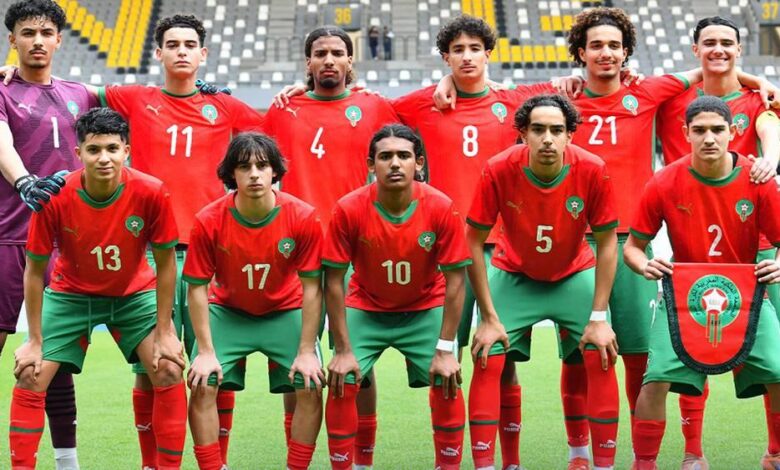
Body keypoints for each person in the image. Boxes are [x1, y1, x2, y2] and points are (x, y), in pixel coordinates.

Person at [96, 15, 265, 466]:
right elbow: (71, 92)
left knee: (216, 364)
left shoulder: (226, 107)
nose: (182, 51)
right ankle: (152, 463)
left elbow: (282, 126)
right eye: (172, 44)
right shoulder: (135, 98)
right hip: (151, 253)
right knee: (153, 366)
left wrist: (292, 92)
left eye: (190, 44)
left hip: (213, 252)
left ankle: (217, 461)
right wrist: (14, 73)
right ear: (158, 53)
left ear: (203, 54)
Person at [9, 107, 187, 469]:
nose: (104, 158)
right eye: (94, 150)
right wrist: (34, 340)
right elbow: (35, 271)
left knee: (169, 368)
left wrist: (166, 331)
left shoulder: (152, 191)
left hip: (133, 296)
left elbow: (167, 263)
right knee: (30, 373)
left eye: (112, 148)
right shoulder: (54, 196)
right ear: (79, 153)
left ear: (126, 151)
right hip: (71, 296)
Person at [263, 26, 399, 467]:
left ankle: (361, 460)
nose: (328, 60)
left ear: (349, 60)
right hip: (294, 249)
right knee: (294, 363)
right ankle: (297, 457)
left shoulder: (374, 106)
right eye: (319, 53)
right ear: (308, 62)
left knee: (358, 361)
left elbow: (416, 132)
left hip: (355, 250)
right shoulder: (283, 109)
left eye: (337, 53)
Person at [625, 95, 780, 470]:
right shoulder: (665, 181)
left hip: (746, 294)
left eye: (717, 129)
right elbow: (632, 247)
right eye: (699, 130)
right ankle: (644, 463)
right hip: (683, 294)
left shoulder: (757, 179)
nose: (709, 138)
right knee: (655, 379)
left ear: (733, 132)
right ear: (686, 133)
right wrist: (645, 265)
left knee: (778, 372)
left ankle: (775, 454)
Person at [466, 94, 620, 470]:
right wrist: (487, 317)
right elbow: (472, 241)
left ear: (570, 135)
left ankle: (592, 461)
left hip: (573, 274)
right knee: (487, 355)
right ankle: (499, 464)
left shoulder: (593, 168)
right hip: (514, 275)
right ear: (523, 134)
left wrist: (599, 317)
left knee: (600, 353)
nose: (547, 139)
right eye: (538, 130)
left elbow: (607, 242)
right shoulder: (498, 168)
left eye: (556, 130)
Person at [654, 16, 780, 469]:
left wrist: (770, 161)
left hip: (758, 245)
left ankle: (775, 451)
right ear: (695, 49)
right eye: (709, 42)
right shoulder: (672, 101)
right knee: (693, 346)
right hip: (692, 243)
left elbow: (771, 132)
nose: (719, 49)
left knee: (771, 360)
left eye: (728, 42)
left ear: (740, 48)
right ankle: (693, 453)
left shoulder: (760, 99)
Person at [323, 124, 470, 470]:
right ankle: (356, 464)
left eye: (403, 156)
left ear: (418, 163)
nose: (394, 163)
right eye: (385, 156)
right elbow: (333, 281)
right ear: (370, 164)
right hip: (366, 307)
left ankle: (447, 465)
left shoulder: (441, 206)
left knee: (447, 377)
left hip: (424, 307)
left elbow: (456, 280)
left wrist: (445, 349)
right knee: (343, 379)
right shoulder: (348, 208)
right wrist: (342, 349)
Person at [184, 132, 324, 470]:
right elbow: (197, 288)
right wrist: (205, 352)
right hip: (228, 312)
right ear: (231, 173)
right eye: (244, 167)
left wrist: (307, 351)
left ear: (275, 171)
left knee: (310, 383)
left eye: (262, 166)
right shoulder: (208, 219)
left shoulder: (303, 216)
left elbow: (312, 288)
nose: (255, 175)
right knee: (202, 383)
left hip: (285, 310)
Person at [0, 1, 98, 468]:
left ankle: (66, 462)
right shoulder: (1, 90)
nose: (37, 41)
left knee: (55, 357)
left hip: (66, 245)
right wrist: (24, 182)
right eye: (27, 32)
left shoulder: (84, 94)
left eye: (45, 33)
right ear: (12, 40)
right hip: (9, 238)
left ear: (59, 40)